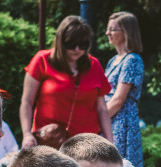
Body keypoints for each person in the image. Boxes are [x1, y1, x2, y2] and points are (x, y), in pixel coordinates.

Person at [20, 15, 113, 149]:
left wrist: (109, 142)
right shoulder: (42, 60)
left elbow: (102, 109)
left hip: (85, 146)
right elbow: (27, 101)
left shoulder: (94, 65)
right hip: (50, 142)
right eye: (71, 44)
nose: (77, 49)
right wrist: (27, 134)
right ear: (61, 41)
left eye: (83, 45)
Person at [104, 11, 146, 167]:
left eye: (113, 29)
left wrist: (98, 121)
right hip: (110, 119)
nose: (108, 33)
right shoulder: (113, 60)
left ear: (126, 32)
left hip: (122, 123)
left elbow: (118, 99)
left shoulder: (132, 60)